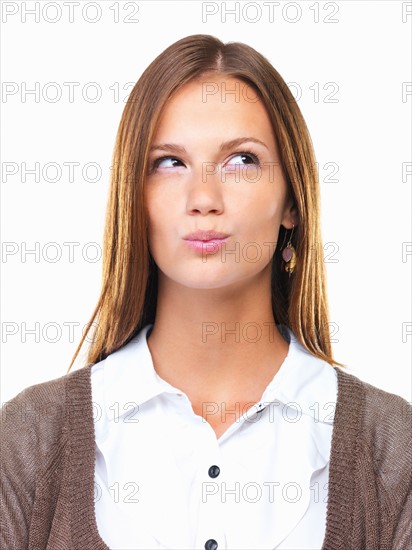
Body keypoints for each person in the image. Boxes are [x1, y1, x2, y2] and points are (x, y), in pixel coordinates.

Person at [1, 34, 411, 550]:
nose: (203, 198)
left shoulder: (391, 447)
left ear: (292, 201)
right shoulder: (28, 442)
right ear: (135, 196)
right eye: (169, 162)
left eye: (241, 160)